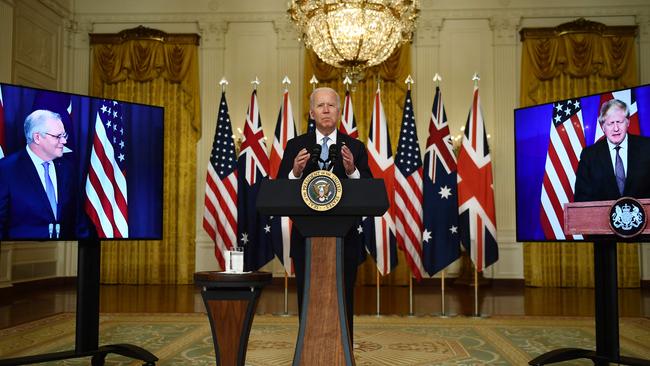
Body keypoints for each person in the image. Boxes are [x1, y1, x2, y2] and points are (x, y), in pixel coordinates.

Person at [277, 87, 372, 341]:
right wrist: (295, 172)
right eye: (321, 106)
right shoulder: (295, 146)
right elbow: (279, 191)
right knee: (308, 297)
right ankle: (307, 350)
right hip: (305, 240)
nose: (326, 110)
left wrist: (352, 170)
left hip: (346, 240)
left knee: (343, 298)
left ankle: (344, 351)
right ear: (311, 112)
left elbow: (369, 192)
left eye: (331, 105)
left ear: (339, 112)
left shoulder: (355, 147)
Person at [0, 109, 77, 240]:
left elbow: (77, 220)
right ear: (37, 137)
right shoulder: (6, 169)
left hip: (63, 253)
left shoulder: (67, 168)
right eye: (58, 136)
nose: (64, 141)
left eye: (64, 135)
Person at [574, 99, 650, 202]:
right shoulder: (589, 156)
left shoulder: (647, 147)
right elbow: (581, 199)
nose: (616, 128)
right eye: (610, 123)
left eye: (619, 122)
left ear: (628, 123)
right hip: (601, 217)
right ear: (603, 127)